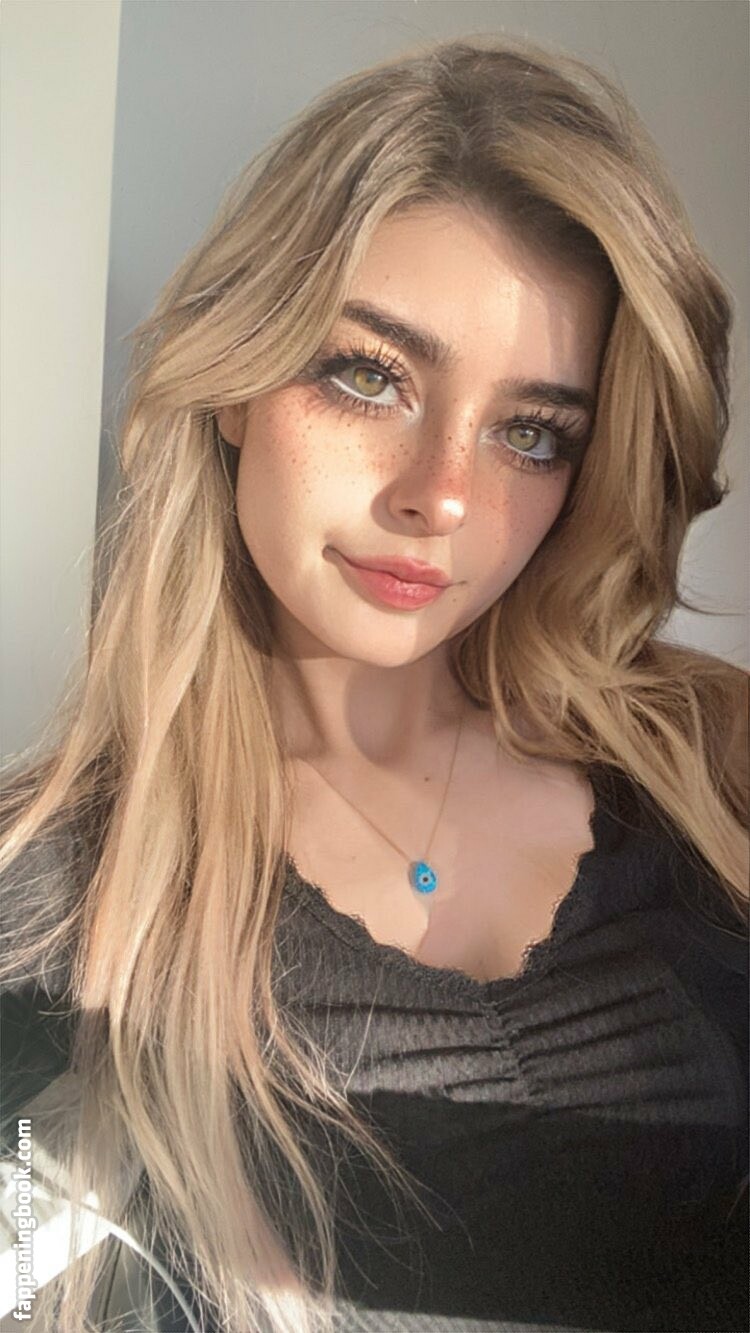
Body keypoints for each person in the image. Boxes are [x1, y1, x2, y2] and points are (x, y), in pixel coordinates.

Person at [0, 33, 747, 1333]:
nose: (440, 495)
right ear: (235, 384)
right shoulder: (56, 876)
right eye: (369, 375)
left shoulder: (711, 762)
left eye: (531, 432)